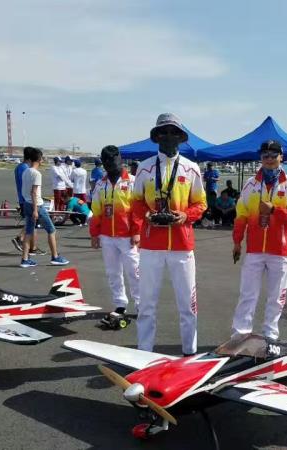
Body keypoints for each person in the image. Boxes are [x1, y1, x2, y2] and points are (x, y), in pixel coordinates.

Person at [132, 113, 207, 356]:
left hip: (181, 245)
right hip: (151, 245)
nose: (168, 136)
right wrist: (146, 214)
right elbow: (136, 202)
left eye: (173, 132)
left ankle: (189, 352)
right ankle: (144, 353)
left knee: (188, 305)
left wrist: (185, 215)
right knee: (146, 305)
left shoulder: (191, 168)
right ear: (156, 137)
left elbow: (201, 203)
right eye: (163, 132)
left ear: (180, 137)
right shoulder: (144, 167)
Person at [231, 140, 287, 343]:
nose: (269, 159)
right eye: (265, 156)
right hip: (255, 249)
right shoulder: (250, 184)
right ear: (260, 158)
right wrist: (237, 241)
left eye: (273, 155)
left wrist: (274, 210)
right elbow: (241, 215)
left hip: (281, 250)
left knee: (276, 297)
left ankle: (270, 334)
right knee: (247, 294)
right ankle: (241, 333)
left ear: (281, 157)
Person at [90, 145, 141, 323]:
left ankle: (141, 305)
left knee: (135, 272)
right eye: (107, 162)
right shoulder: (100, 184)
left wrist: (136, 231)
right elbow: (96, 210)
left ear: (120, 159)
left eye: (114, 161)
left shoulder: (133, 182)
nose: (111, 165)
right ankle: (120, 304)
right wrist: (94, 234)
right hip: (107, 236)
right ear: (104, 163)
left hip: (128, 236)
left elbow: (138, 210)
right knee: (113, 272)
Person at [20, 147, 70, 268]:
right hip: (36, 205)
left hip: (27, 203)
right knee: (51, 230)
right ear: (39, 159)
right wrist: (35, 210)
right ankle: (55, 257)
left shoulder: (25, 171)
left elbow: (25, 190)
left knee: (28, 232)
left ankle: (25, 259)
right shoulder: (36, 174)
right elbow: (33, 192)